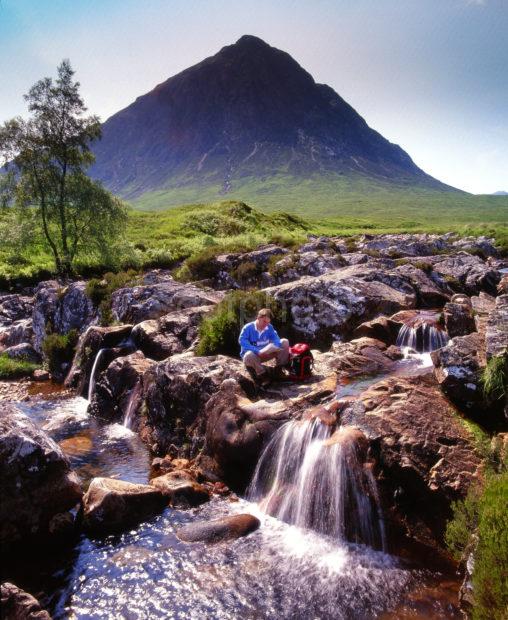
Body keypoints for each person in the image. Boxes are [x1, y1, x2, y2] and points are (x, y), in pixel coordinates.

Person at [239, 308, 290, 385]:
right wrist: (257, 351)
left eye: (268, 322)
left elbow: (276, 339)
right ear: (258, 317)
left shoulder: (269, 327)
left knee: (284, 342)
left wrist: (274, 346)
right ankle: (263, 375)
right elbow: (242, 341)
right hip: (253, 357)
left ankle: (278, 370)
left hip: (265, 354)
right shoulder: (248, 328)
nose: (266, 324)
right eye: (264, 321)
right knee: (249, 355)